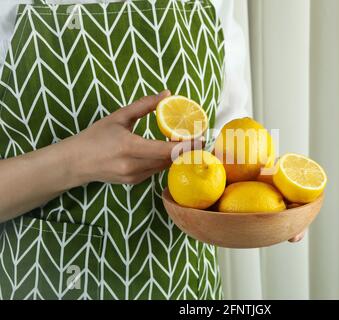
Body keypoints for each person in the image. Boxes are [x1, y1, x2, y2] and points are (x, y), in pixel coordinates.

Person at [0, 0, 303, 300]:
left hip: (184, 283)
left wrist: (276, 192)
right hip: (45, 281)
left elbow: (229, 139)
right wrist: (78, 161)